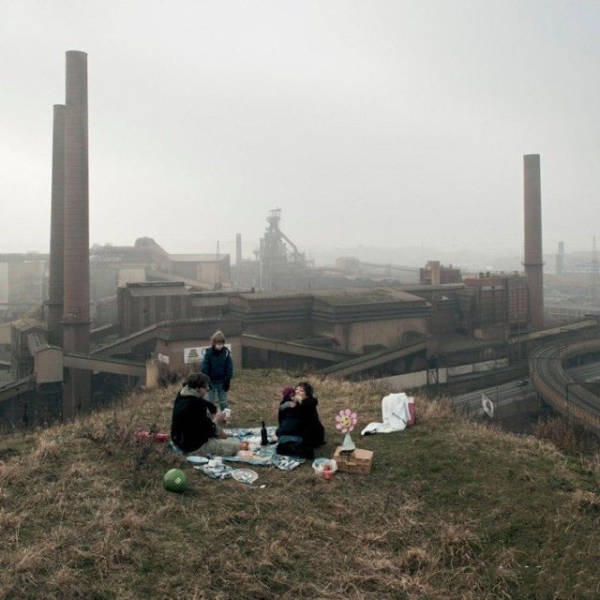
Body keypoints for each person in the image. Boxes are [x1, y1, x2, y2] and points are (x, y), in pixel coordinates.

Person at [170, 372, 240, 456]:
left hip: (179, 441)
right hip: (193, 446)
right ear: (197, 388)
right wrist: (218, 421)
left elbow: (207, 405)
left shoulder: (182, 396)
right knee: (236, 445)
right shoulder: (197, 405)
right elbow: (209, 430)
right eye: (205, 387)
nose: (208, 389)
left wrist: (215, 411)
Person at [276, 382, 325, 459]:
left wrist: (300, 403)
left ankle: (298, 449)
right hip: (294, 432)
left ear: (307, 395)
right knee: (281, 439)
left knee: (292, 445)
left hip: (307, 435)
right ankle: (291, 446)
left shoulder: (310, 404)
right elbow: (282, 419)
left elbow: (311, 425)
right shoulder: (290, 403)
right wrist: (286, 405)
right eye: (296, 389)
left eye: (301, 390)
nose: (297, 392)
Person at [201, 330, 233, 410]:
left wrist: (228, 380)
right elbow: (204, 368)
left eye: (221, 344)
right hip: (211, 382)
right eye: (218, 344)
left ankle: (225, 417)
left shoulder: (226, 353)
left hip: (222, 382)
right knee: (210, 402)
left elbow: (229, 367)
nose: (220, 346)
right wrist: (207, 382)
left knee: (223, 402)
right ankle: (210, 419)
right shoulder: (208, 354)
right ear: (214, 343)